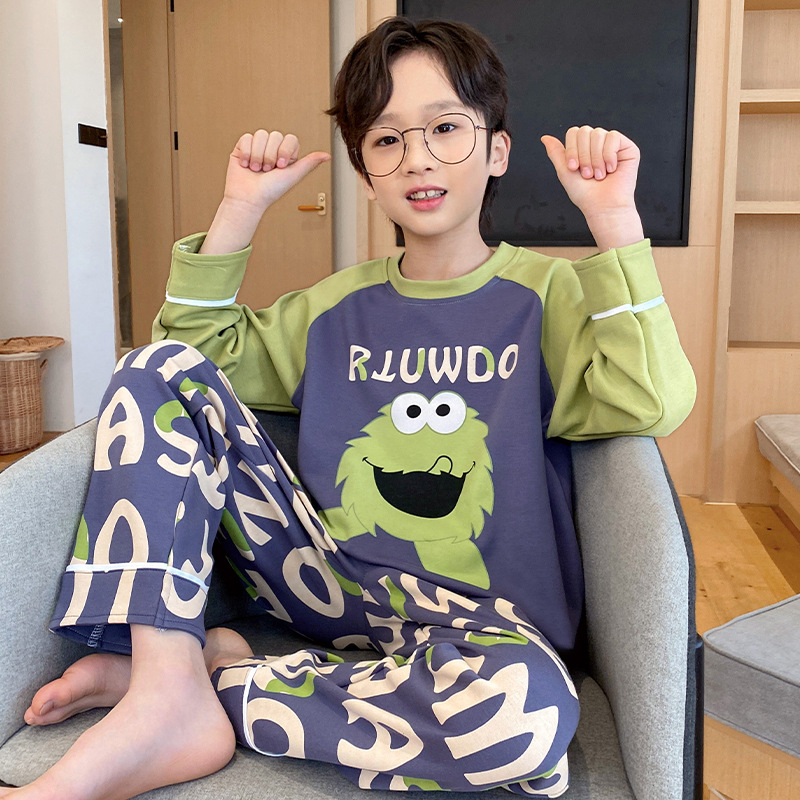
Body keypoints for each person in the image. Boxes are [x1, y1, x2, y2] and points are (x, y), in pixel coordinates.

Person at [2, 15, 695, 800]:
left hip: (487, 624)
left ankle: (216, 680)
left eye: (445, 128)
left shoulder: (549, 296)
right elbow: (192, 354)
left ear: (497, 150)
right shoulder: (333, 308)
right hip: (325, 583)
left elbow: (649, 400)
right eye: (387, 140)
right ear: (366, 174)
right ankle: (163, 685)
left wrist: (613, 223)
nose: (417, 158)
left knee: (522, 720)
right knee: (155, 368)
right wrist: (239, 209)